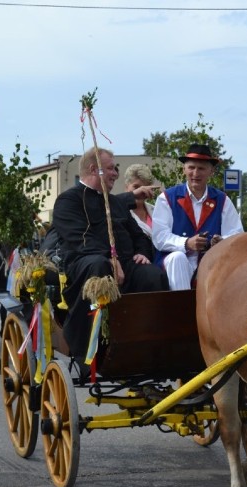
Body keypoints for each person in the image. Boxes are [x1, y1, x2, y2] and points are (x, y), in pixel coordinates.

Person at [53, 147, 169, 362]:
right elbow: (80, 238)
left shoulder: (115, 203)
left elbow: (139, 236)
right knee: (100, 268)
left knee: (153, 275)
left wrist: (143, 253)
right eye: (110, 169)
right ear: (92, 169)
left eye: (115, 168)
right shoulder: (68, 201)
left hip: (125, 263)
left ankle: (146, 345)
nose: (115, 173)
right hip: (86, 262)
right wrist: (109, 257)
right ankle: (90, 350)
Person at [152, 143, 243, 290]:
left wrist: (221, 241)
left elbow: (237, 235)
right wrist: (186, 243)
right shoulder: (167, 198)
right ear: (184, 169)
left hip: (210, 261)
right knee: (178, 258)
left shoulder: (222, 200)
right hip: (172, 263)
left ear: (211, 171)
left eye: (201, 168)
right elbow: (159, 237)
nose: (196, 173)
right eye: (191, 167)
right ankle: (183, 310)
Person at [116, 163, 159, 261]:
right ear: (126, 187)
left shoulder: (156, 210)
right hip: (137, 263)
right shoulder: (118, 212)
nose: (141, 191)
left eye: (145, 187)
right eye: (136, 187)